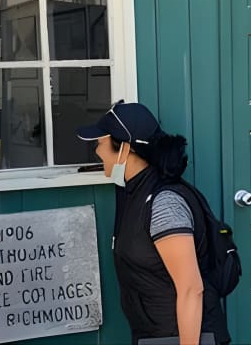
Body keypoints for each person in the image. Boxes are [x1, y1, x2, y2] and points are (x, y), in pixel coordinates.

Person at [77, 101, 229, 345]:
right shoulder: (131, 192)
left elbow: (191, 289)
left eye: (100, 143)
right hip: (155, 335)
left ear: (124, 148)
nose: (97, 151)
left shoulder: (164, 204)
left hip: (183, 337)